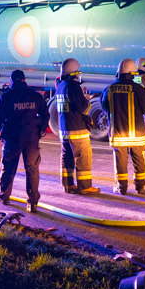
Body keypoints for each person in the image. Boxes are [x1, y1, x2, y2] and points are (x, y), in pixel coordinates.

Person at [0, 70, 49, 213]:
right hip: (31, 138)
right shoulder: (35, 95)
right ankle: (32, 203)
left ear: (11, 81)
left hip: (12, 138)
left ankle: (4, 196)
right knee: (32, 169)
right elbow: (45, 114)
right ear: (24, 80)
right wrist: (40, 129)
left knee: (8, 167)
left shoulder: (6, 97)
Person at [100, 59, 145, 195]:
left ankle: (121, 187)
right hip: (137, 133)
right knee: (139, 158)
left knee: (120, 160)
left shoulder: (109, 89)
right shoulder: (139, 89)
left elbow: (105, 108)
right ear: (132, 73)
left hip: (118, 133)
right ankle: (140, 186)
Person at [55, 58, 100, 194]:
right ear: (73, 73)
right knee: (83, 158)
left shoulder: (61, 86)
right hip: (77, 130)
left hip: (64, 130)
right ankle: (85, 186)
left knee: (67, 157)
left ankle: (68, 185)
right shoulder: (73, 87)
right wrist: (87, 100)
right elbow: (81, 107)